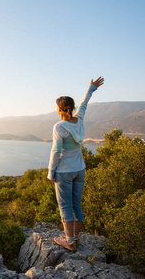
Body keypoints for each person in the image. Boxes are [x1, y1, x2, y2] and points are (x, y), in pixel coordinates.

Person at [48, 76, 104, 251]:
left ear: (59, 109)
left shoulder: (59, 127)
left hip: (64, 172)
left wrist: (51, 172)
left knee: (65, 206)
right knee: (76, 204)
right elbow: (84, 103)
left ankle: (70, 241)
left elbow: (56, 152)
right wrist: (91, 88)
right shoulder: (79, 120)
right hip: (80, 169)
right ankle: (76, 238)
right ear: (71, 108)